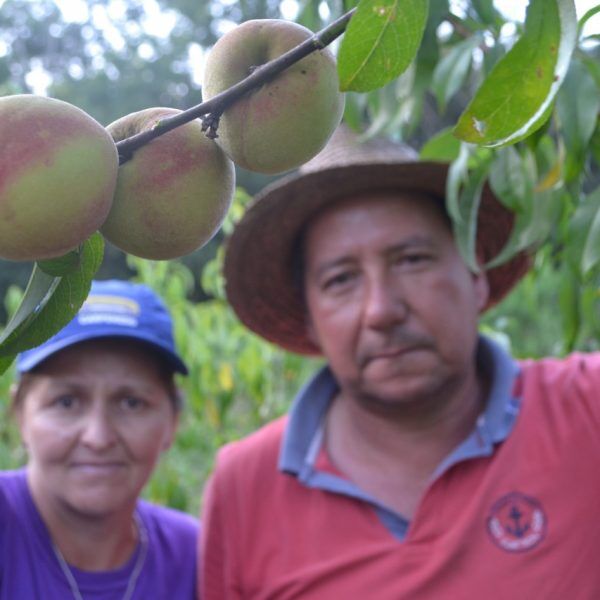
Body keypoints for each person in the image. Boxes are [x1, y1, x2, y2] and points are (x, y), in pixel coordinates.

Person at [199, 126, 600, 599]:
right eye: (341, 279)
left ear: (477, 276)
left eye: (412, 260)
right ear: (308, 318)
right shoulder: (245, 485)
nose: (382, 310)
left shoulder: (585, 408)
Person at [2, 279, 199, 599]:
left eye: (131, 402)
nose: (98, 437)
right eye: (66, 402)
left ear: (172, 422)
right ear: (20, 414)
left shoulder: (194, 558)